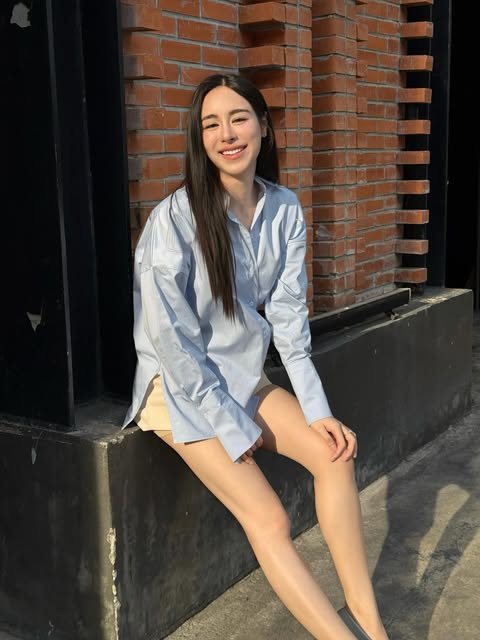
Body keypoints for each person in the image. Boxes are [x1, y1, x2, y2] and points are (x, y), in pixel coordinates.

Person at [123, 73, 389, 640]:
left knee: (335, 456)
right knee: (269, 517)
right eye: (211, 124)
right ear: (199, 139)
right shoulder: (174, 220)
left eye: (238, 118)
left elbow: (289, 323)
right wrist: (229, 425)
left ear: (263, 127)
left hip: (243, 375)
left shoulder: (284, 208)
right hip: (179, 391)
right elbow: (173, 344)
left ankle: (371, 626)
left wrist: (317, 410)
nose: (226, 134)